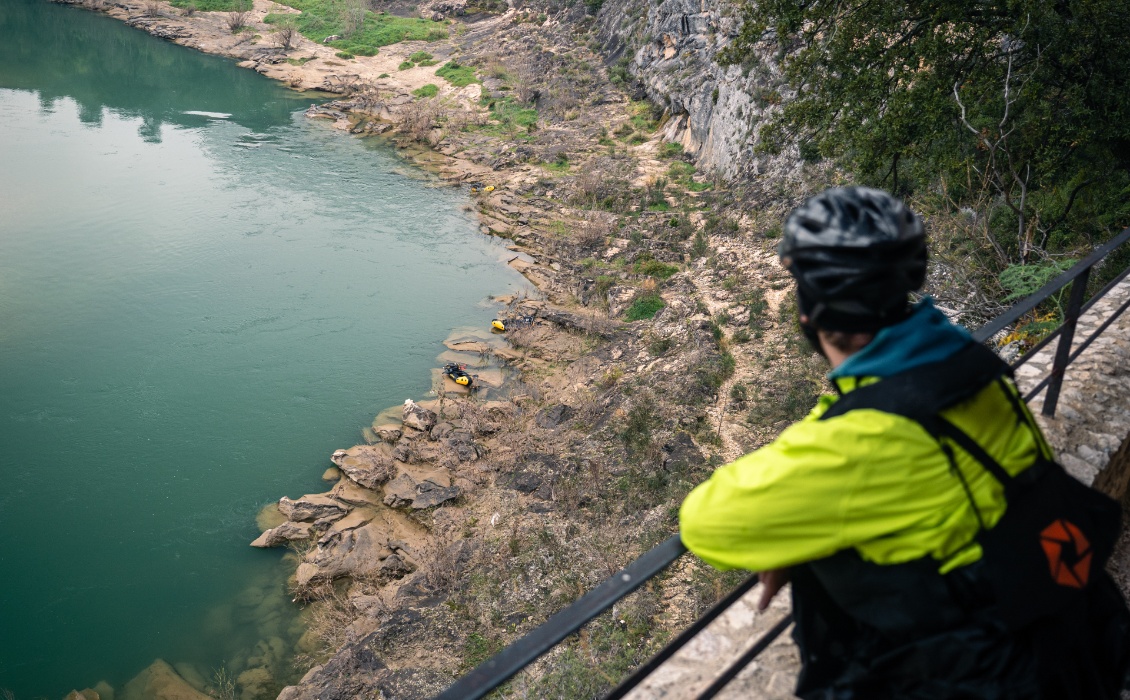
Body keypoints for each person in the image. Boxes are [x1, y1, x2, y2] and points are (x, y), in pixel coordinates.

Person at [679, 187, 1130, 698]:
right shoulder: (964, 362)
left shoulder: (862, 442)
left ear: (808, 314)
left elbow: (703, 522)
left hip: (978, 671)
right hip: (1068, 634)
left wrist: (797, 537)